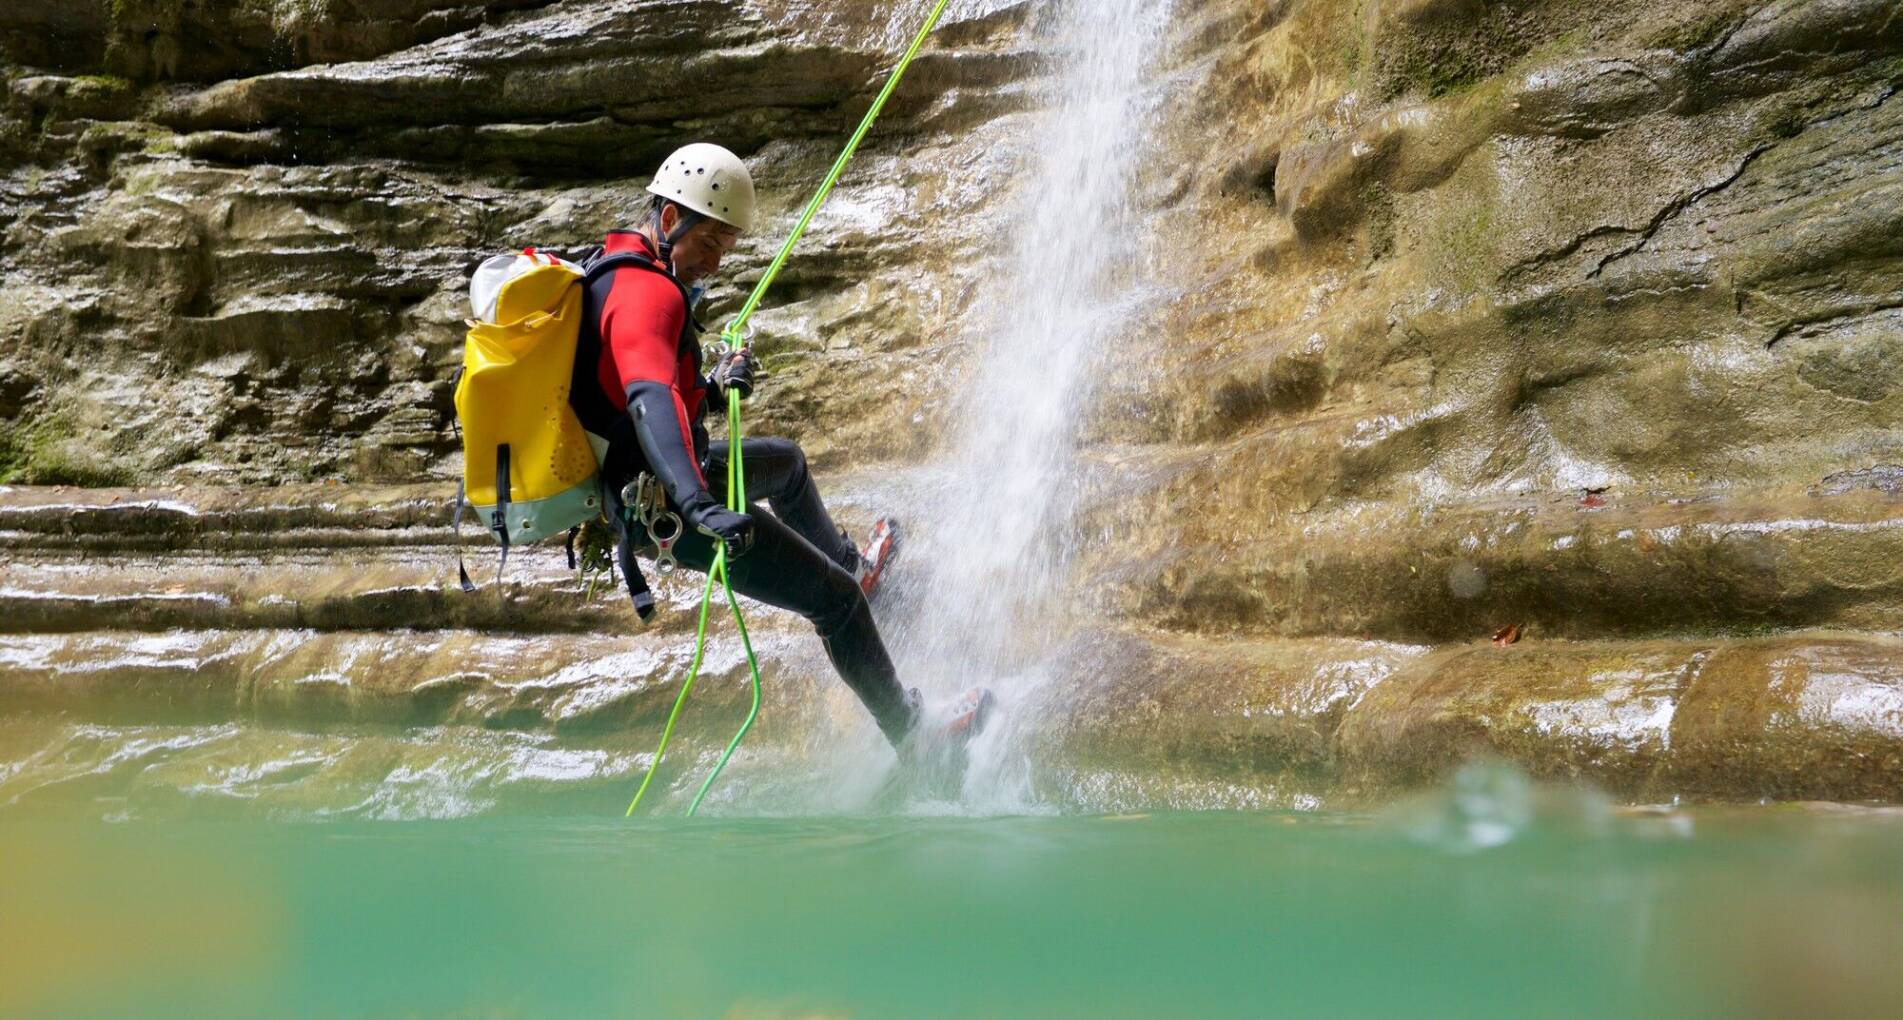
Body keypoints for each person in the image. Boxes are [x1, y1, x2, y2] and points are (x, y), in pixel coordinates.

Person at [569, 142, 990, 753]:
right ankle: (915, 739)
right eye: (709, 243)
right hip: (663, 503)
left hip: (660, 473)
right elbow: (647, 399)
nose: (715, 262)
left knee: (785, 466)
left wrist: (712, 390)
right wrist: (697, 506)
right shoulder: (648, 293)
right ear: (668, 221)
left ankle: (854, 566)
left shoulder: (621, 270)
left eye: (725, 248)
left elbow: (641, 391)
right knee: (834, 605)